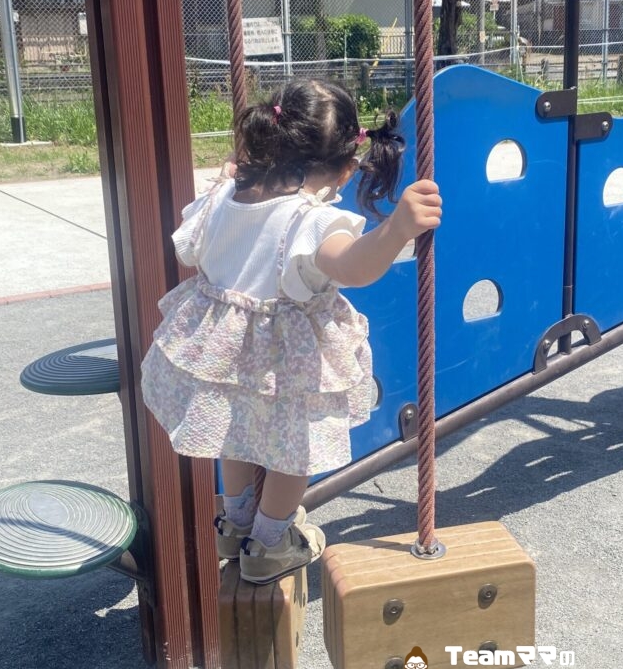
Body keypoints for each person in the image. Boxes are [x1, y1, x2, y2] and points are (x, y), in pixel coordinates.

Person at [140, 79, 442, 585]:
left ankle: (236, 524)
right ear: (346, 167)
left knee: (233, 434)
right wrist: (395, 230)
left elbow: (187, 249)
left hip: (222, 356)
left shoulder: (220, 198)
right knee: (291, 447)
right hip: (286, 366)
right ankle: (271, 542)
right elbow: (350, 266)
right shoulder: (311, 221)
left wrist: (223, 182)